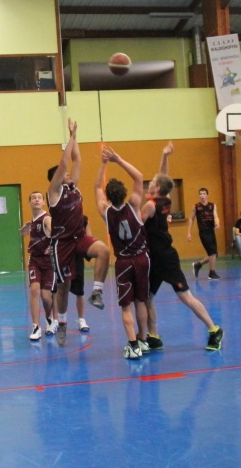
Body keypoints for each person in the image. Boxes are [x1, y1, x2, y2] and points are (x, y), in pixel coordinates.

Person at [143, 142, 224, 352]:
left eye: (153, 182)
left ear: (157, 188)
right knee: (147, 297)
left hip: (165, 258)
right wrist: (165, 155)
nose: (150, 182)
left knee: (185, 296)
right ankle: (153, 336)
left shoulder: (150, 206)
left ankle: (214, 329)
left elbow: (135, 226)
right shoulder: (165, 198)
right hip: (155, 258)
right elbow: (163, 176)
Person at [46, 119, 110, 347]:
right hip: (62, 244)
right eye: (64, 175)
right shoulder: (54, 192)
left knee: (104, 251)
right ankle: (62, 323)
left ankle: (97, 292)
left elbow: (77, 160)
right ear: (56, 178)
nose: (69, 175)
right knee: (63, 287)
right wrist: (70, 138)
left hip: (79, 238)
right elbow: (64, 163)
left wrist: (75, 135)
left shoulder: (73, 187)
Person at [95, 146, 152, 359]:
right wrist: (118, 160)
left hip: (124, 262)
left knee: (125, 305)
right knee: (140, 301)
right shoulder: (134, 205)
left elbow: (96, 187)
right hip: (142, 258)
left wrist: (103, 164)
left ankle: (133, 345)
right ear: (125, 193)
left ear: (109, 197)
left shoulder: (105, 211)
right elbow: (139, 176)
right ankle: (143, 340)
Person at [22, 191, 56, 341]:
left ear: (43, 202)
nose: (36, 199)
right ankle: (36, 326)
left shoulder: (47, 219)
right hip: (35, 260)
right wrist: (28, 226)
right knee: (34, 290)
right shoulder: (34, 220)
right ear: (29, 203)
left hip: (49, 262)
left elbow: (55, 232)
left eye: (39, 198)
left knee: (46, 296)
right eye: (33, 198)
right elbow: (32, 226)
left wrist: (53, 242)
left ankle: (50, 318)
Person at [188, 187, 221, 280]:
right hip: (203, 232)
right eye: (200, 194)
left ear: (207, 195)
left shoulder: (212, 205)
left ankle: (198, 265)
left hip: (211, 231)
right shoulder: (196, 207)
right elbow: (191, 219)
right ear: (199, 195)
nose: (202, 196)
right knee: (212, 253)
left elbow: (216, 216)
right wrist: (189, 232)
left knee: (214, 254)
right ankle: (211, 273)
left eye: (204, 194)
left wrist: (217, 223)